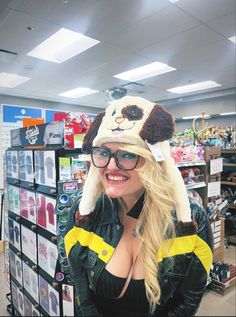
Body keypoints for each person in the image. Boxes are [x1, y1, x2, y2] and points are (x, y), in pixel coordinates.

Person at [64, 96, 213, 317]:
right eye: (104, 153)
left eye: (129, 155)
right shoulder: (84, 213)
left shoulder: (190, 220)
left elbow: (188, 300)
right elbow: (78, 279)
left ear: (153, 161)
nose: (111, 166)